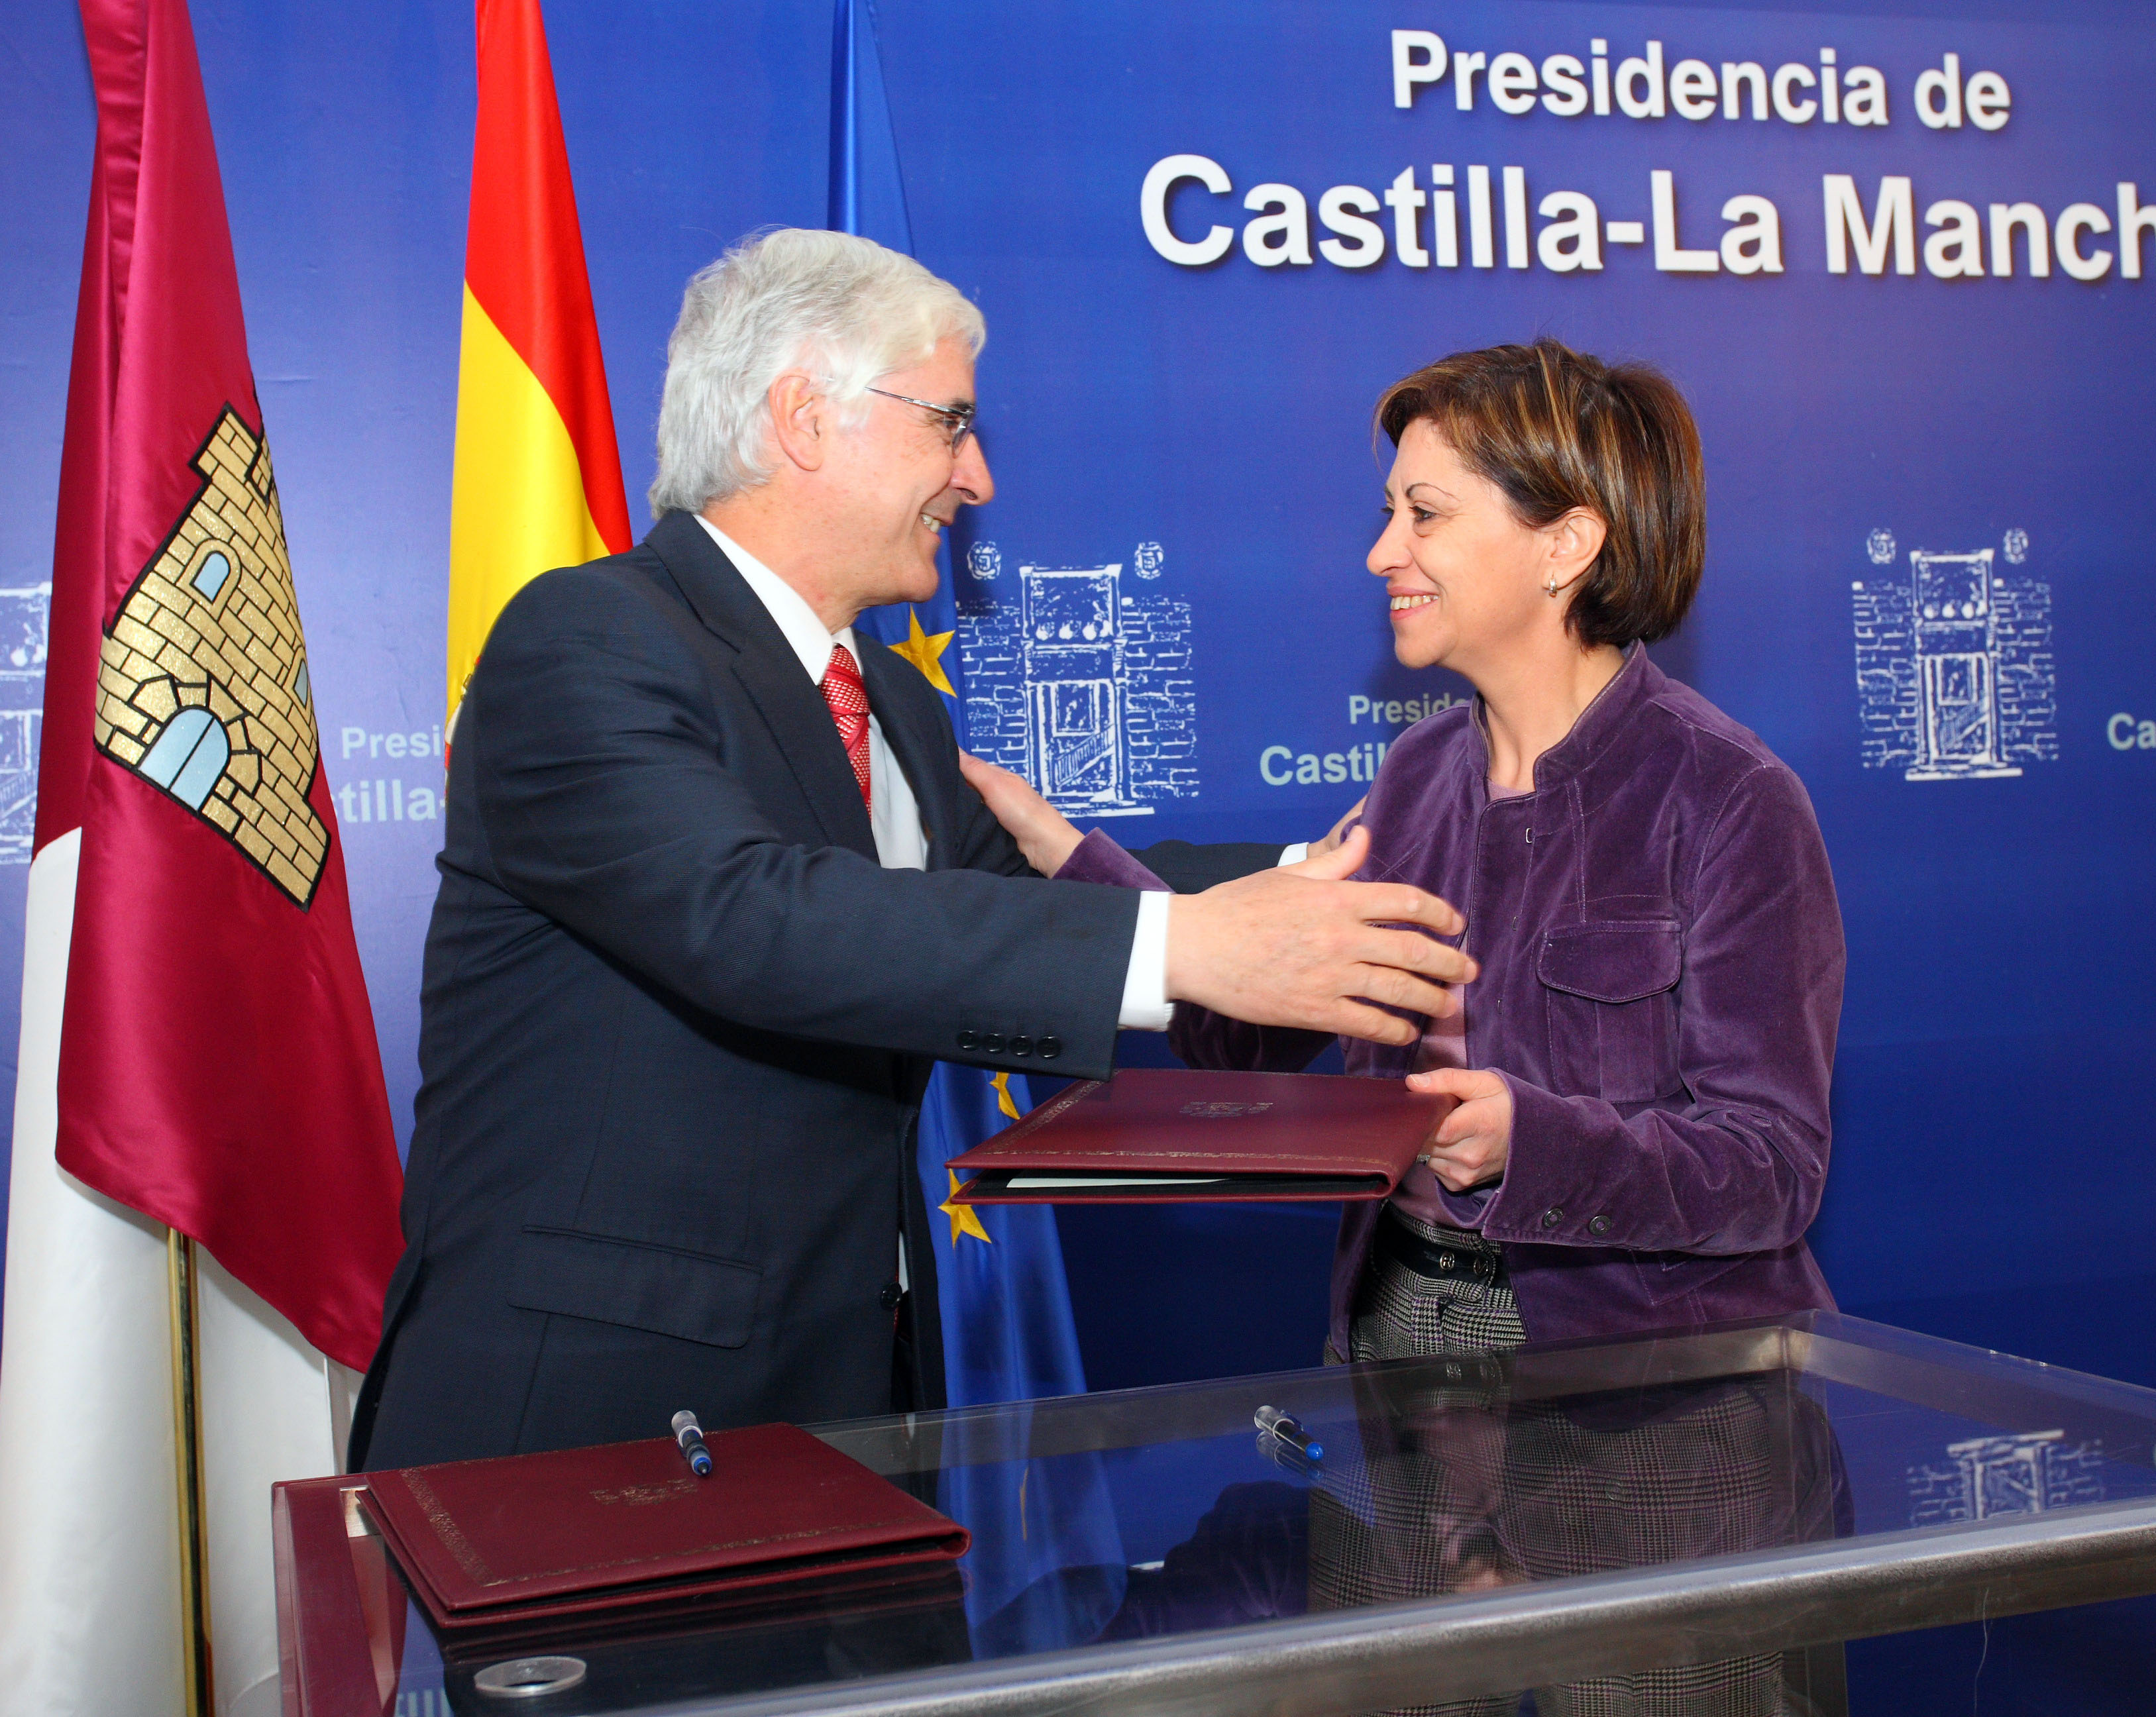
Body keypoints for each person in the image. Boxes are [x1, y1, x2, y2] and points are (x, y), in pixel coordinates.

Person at [348, 231, 1476, 1471]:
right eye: (951, 424)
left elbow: (1037, 900)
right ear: (805, 419)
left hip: (841, 1396)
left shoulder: (891, 701)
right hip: (593, 1420)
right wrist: (1193, 945)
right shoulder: (587, 642)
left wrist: (1401, 857)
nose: (978, 476)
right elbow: (755, 917)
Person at [971, 338, 1846, 1368]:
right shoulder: (1416, 774)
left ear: (1566, 545)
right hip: (1394, 1328)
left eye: (1424, 515)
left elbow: (1769, 1168)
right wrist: (1069, 855)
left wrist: (1535, 1140)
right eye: (1389, 514)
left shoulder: (1730, 798)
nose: (1383, 553)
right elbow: (1239, 1034)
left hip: (1641, 1383)